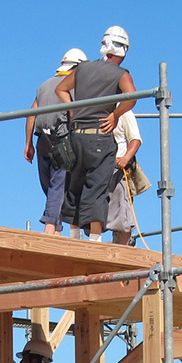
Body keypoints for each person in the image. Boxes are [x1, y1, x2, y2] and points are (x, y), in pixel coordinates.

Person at [54, 26, 137, 241]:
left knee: (75, 185)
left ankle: (74, 237)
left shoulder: (82, 69)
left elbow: (60, 89)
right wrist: (116, 115)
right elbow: (132, 97)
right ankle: (95, 240)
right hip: (99, 136)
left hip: (76, 135)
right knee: (97, 188)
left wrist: (73, 110)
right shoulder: (121, 74)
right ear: (123, 50)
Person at [25, 48, 87, 236]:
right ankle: (50, 230)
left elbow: (30, 115)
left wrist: (28, 144)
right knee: (59, 185)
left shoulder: (43, 86)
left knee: (51, 186)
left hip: (42, 141)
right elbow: (73, 112)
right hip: (62, 140)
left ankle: (56, 228)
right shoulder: (73, 85)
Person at [94, 110, 141, 245]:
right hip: (98, 169)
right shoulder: (98, 109)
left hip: (118, 168)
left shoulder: (125, 112)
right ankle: (96, 248)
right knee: (96, 212)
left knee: (123, 213)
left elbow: (135, 139)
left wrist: (126, 158)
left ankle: (123, 248)